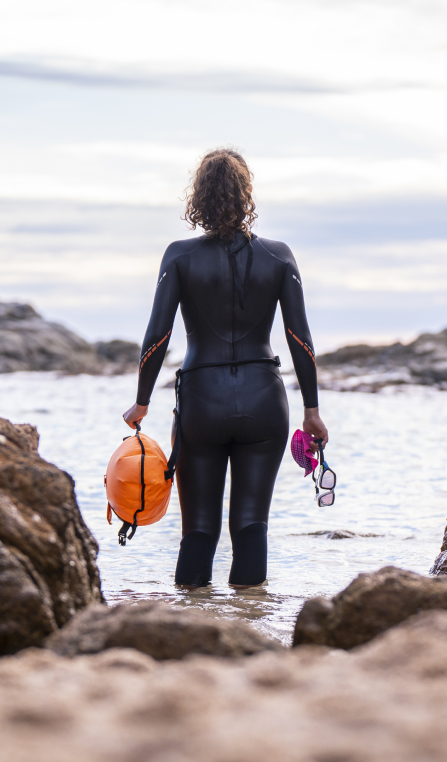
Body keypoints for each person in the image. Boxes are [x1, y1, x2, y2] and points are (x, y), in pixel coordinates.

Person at [123, 148, 328, 587]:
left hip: (202, 402)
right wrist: (312, 410)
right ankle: (253, 629)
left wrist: (141, 403)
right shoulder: (279, 256)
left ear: (199, 197)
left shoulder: (179, 257)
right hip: (264, 401)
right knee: (252, 524)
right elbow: (299, 339)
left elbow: (157, 337)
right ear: (246, 195)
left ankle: (189, 631)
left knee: (198, 528)